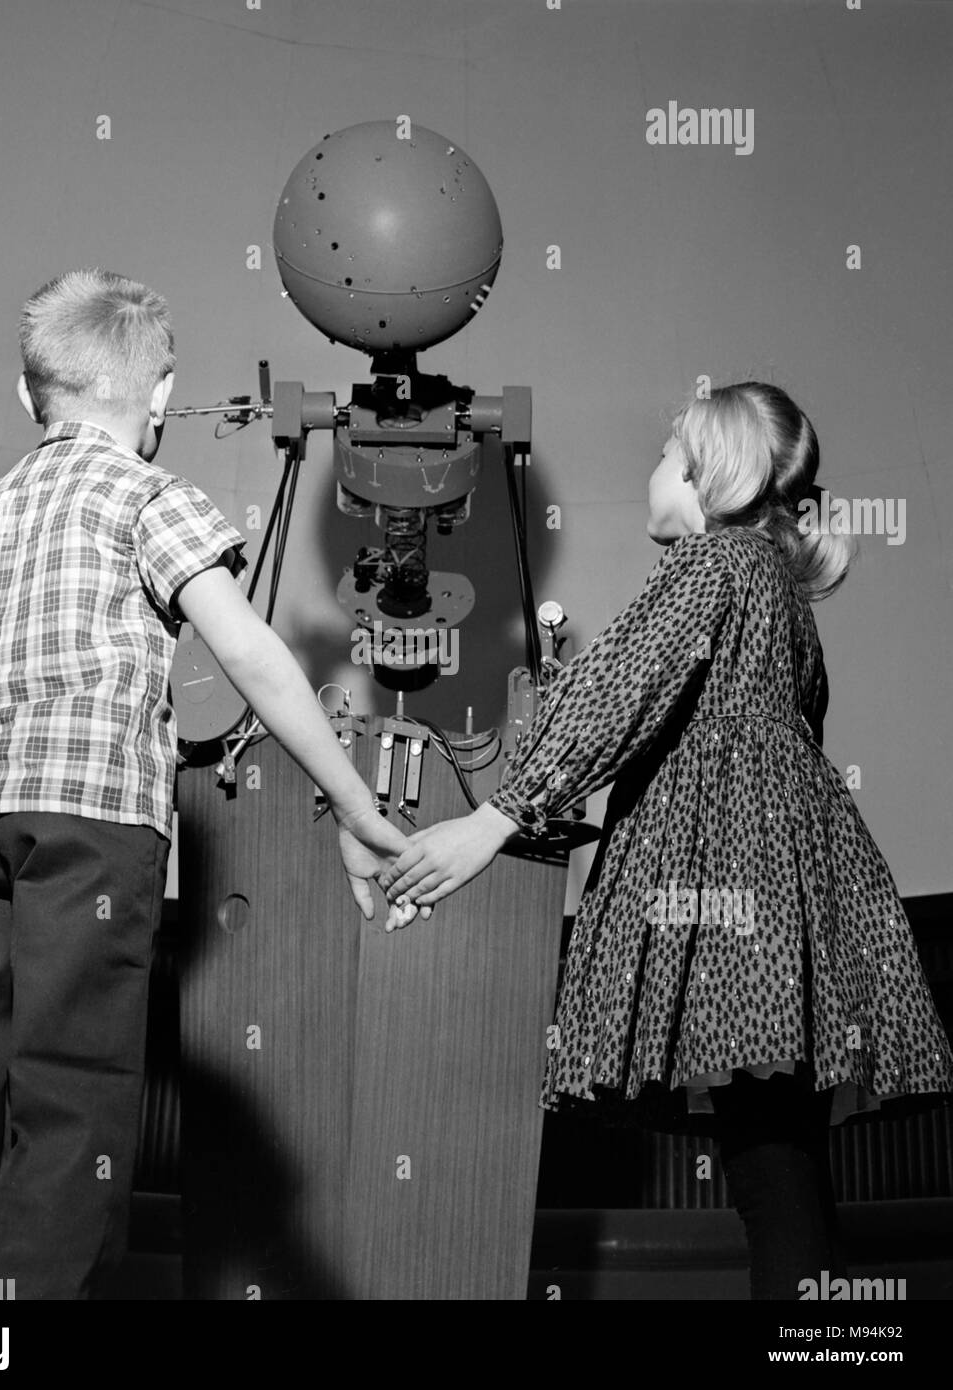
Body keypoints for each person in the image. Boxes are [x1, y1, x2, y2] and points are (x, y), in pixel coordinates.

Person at [0, 267, 424, 1301]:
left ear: (27, 395)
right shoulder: (149, 494)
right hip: (88, 822)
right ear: (161, 396)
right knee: (70, 1090)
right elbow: (253, 654)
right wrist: (356, 807)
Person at [381, 382, 953, 1299]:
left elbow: (621, 697)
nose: (648, 468)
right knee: (786, 1180)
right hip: (795, 895)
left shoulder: (712, 565)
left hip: (731, 892)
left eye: (663, 452)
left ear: (704, 475)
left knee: (775, 1185)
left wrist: (494, 818)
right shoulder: (772, 586)